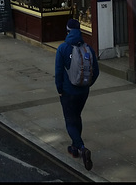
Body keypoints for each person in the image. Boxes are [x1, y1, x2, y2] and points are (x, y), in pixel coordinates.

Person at [55, 18, 99, 171]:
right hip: (83, 92)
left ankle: (81, 148)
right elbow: (96, 72)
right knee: (77, 116)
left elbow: (58, 72)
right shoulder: (88, 48)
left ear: (67, 31)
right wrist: (87, 85)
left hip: (68, 92)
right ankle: (74, 148)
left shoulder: (63, 48)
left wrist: (59, 90)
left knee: (70, 120)